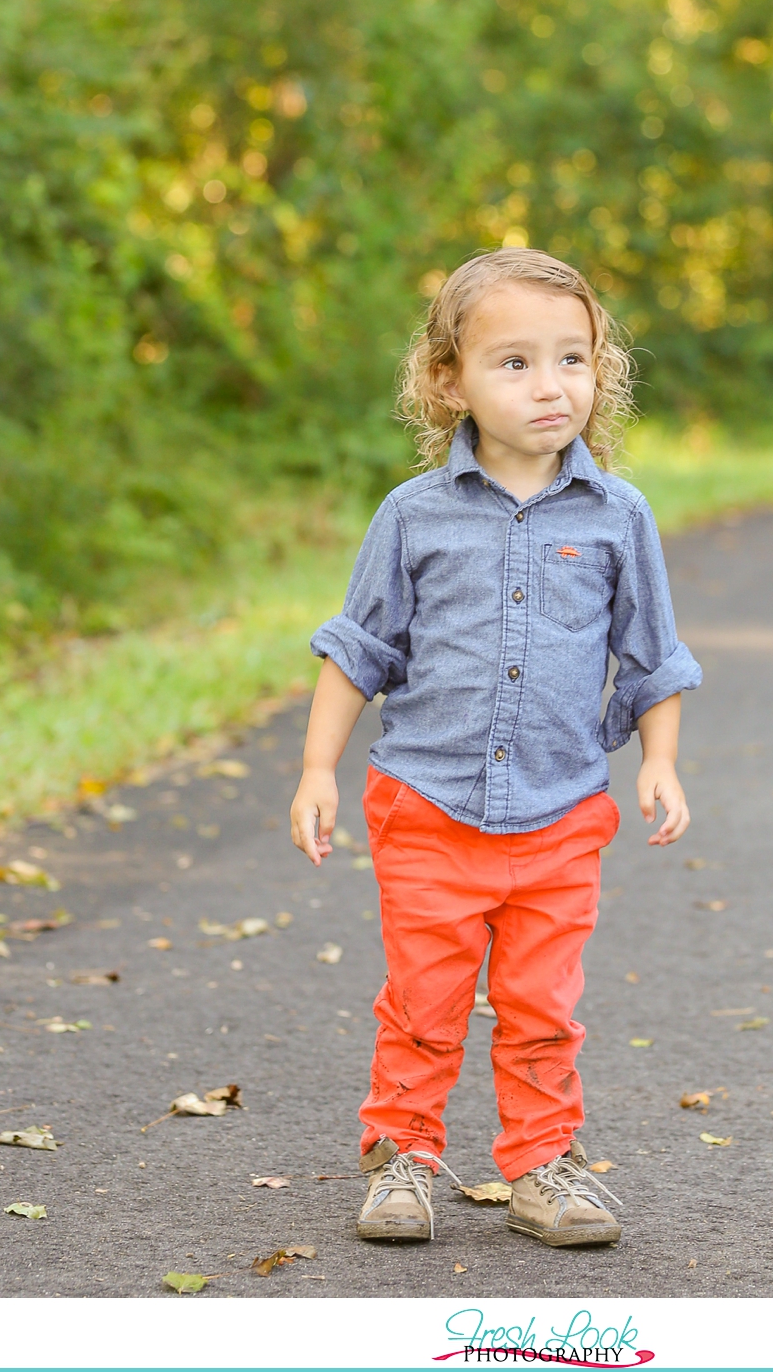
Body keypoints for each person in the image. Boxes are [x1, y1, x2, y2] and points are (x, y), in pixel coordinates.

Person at [290, 248, 701, 1247]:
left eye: (572, 357)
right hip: (427, 807)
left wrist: (658, 759)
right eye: (514, 362)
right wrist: (316, 769)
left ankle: (541, 1167)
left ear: (600, 370)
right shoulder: (413, 515)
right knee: (425, 1000)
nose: (550, 383)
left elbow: (652, 656)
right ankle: (404, 1157)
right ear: (450, 381)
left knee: (542, 1005)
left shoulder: (619, 517)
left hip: (560, 815)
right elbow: (360, 649)